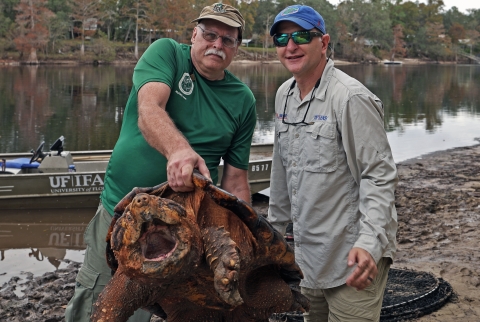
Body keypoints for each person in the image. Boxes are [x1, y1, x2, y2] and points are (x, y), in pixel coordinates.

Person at [65, 3, 256, 321]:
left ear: (237, 47)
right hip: (122, 213)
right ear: (194, 34)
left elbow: (235, 181)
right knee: (94, 303)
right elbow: (149, 109)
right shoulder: (167, 53)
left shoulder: (242, 99)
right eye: (210, 34)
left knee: (156, 307)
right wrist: (179, 150)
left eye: (228, 39)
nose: (217, 44)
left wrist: (245, 242)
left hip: (187, 229)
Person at [267, 5, 398, 322]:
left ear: (323, 43)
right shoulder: (284, 94)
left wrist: (369, 244)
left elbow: (378, 176)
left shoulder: (350, 97)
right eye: (281, 38)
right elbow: (281, 171)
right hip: (309, 257)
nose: (290, 45)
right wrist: (270, 236)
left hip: (352, 257)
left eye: (301, 35)